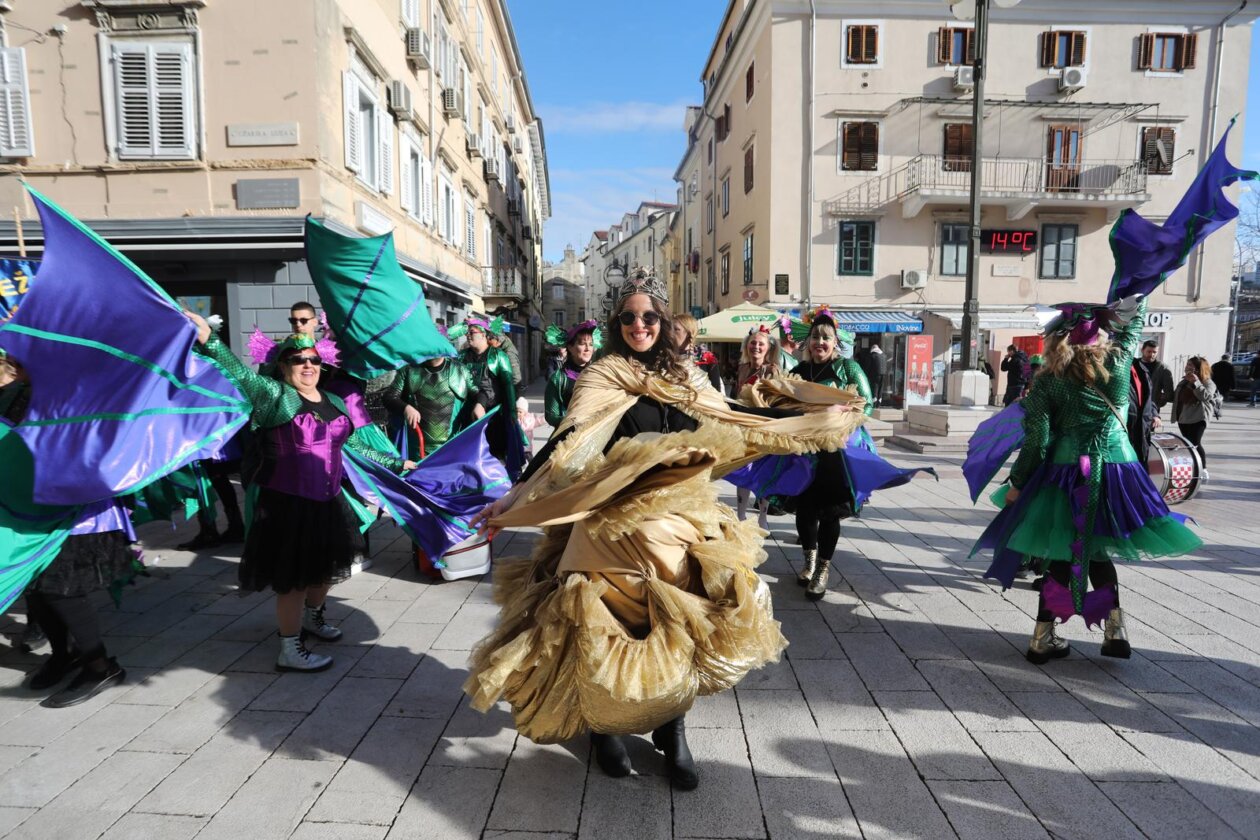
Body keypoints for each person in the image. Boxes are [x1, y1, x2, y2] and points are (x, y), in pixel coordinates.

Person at [463, 270, 861, 791]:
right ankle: (604, 728)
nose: (639, 325)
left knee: (678, 630)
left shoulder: (685, 377)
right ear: (616, 323)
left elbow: (735, 416)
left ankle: (673, 733)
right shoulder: (602, 375)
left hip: (677, 524)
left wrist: (809, 414)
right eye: (628, 317)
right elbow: (566, 442)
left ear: (664, 320)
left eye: (648, 316)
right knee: (606, 632)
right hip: (608, 524)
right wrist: (514, 498)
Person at [972, 297, 1201, 665]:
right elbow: (1133, 326)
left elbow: (1037, 439)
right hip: (1117, 474)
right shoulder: (1121, 360)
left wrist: (1018, 481)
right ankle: (1115, 631)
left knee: (1060, 551)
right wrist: (1130, 296)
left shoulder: (1047, 381)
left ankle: (1043, 636)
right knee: (1098, 549)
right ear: (1102, 335)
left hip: (1064, 473)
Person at [187, 313, 417, 672]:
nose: (307, 365)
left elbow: (355, 446)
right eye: (298, 360)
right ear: (283, 365)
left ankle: (314, 618)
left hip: (327, 502)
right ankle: (290, 648)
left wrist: (398, 463)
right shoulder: (274, 395)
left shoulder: (334, 402)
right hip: (287, 505)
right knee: (292, 580)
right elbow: (241, 376)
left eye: (314, 360)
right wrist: (211, 341)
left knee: (324, 570)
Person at [3, 354, 134, 706]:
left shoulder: (70, 391)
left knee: (61, 588)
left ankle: (100, 665)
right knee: (36, 587)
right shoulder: (16, 390)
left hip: (75, 509)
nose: (10, 356)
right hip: (28, 510)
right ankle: (64, 654)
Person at [790, 310, 874, 600]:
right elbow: (783, 402)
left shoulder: (848, 368)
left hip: (837, 451)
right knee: (804, 508)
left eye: (826, 337)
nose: (820, 342)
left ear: (835, 342)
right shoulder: (799, 372)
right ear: (808, 341)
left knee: (828, 513)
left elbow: (867, 403)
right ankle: (809, 561)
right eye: (815, 336)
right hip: (803, 450)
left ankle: (823, 569)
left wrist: (842, 424)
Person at [384, 355, 484, 459]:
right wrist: (405, 408)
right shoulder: (409, 370)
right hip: (417, 452)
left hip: (453, 448)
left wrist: (480, 404)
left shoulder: (460, 370)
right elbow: (389, 397)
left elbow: (478, 393)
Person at [457, 317, 521, 478]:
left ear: (484, 334)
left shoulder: (498, 356)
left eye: (472, 332)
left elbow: (508, 384)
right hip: (468, 416)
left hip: (495, 417)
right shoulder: (462, 356)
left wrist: (512, 411)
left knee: (495, 455)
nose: (468, 336)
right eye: (467, 332)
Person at [733, 325, 780, 529]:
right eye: (753, 343)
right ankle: (741, 515)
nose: (756, 347)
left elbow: (777, 399)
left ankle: (763, 516)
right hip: (743, 425)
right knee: (742, 470)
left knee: (763, 472)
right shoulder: (742, 367)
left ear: (768, 348)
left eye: (761, 344)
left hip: (763, 426)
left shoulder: (772, 370)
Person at [544, 320, 600, 427]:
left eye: (591, 344)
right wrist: (574, 422)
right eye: (582, 344)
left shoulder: (599, 375)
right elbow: (551, 416)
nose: (588, 349)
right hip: (569, 438)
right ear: (570, 347)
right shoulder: (558, 378)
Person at [1171, 356, 1220, 467]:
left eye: (1190, 365)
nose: (1187, 367)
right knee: (1187, 443)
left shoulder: (1208, 382)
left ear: (1198, 369)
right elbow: (1176, 397)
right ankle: (1193, 466)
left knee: (1195, 443)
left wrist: (1196, 382)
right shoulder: (1183, 381)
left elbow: (1206, 397)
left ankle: (1202, 468)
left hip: (1198, 417)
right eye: (1187, 364)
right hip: (1183, 417)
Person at [671, 312, 723, 393]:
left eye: (676, 329)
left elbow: (716, 390)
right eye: (670, 329)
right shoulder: (665, 356)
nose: (671, 333)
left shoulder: (707, 357)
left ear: (689, 333)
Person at [1136, 339, 1175, 413]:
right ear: (1142, 350)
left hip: (1151, 408)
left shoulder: (1163, 368)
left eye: (1154, 352)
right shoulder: (1134, 365)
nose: (1151, 354)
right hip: (1133, 405)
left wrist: (1158, 403)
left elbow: (1169, 392)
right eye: (1149, 351)